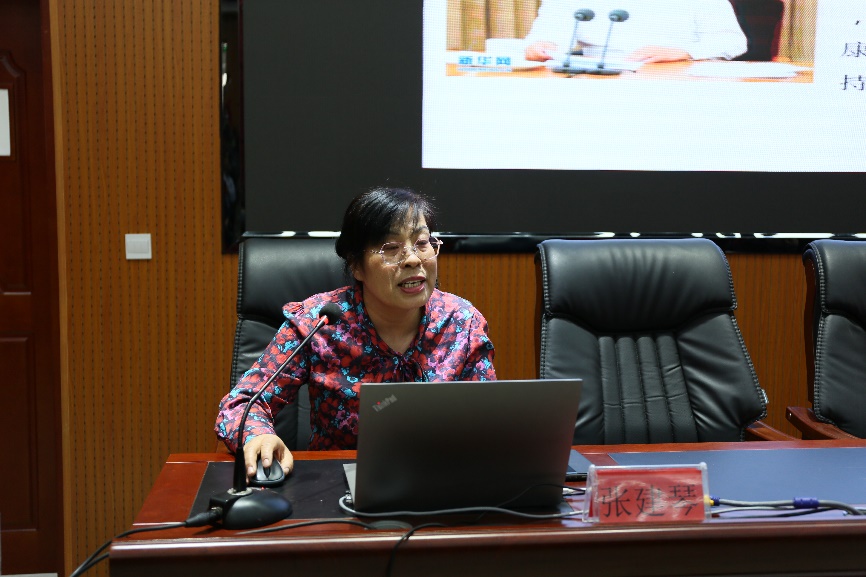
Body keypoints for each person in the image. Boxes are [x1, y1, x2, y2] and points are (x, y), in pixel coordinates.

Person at [215, 187, 497, 480]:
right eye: (391, 248)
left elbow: (488, 421)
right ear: (356, 266)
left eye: (422, 243)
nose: (413, 259)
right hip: (334, 487)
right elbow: (242, 403)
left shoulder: (461, 322)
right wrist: (257, 435)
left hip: (441, 481)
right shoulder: (319, 322)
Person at [523, 0, 747, 64]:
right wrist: (541, 46)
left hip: (679, 84)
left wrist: (683, 51)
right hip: (597, 87)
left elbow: (732, 42)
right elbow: (548, 34)